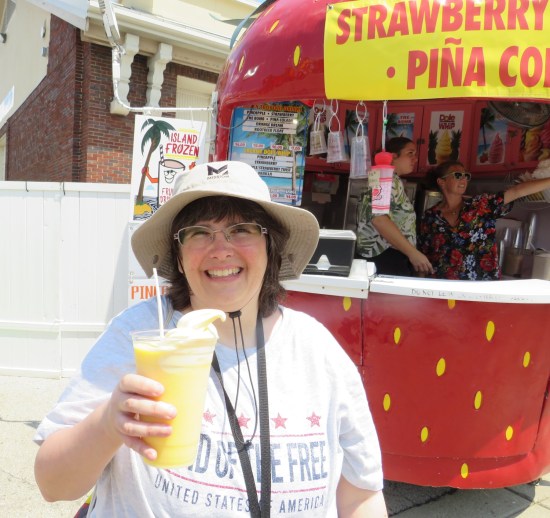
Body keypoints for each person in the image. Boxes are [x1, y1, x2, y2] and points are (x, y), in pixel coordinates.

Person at [34, 161, 388, 517]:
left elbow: (361, 496)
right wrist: (108, 423)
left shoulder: (317, 351)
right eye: (199, 232)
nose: (221, 250)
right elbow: (53, 484)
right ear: (179, 255)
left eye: (241, 229)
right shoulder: (140, 334)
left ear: (271, 245)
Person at [418, 160, 550, 280]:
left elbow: (517, 191)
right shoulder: (430, 216)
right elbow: (424, 255)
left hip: (481, 285)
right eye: (458, 175)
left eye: (466, 176)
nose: (464, 179)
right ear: (441, 182)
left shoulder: (481, 205)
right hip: (442, 287)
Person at [356, 137, 433, 276]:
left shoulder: (391, 180)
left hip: (387, 257)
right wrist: (413, 254)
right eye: (410, 153)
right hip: (383, 258)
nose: (415, 159)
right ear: (392, 156)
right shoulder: (385, 178)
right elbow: (379, 219)